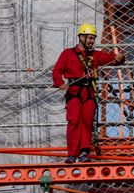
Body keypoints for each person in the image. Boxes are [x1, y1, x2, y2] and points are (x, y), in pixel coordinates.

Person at [52, 23, 125, 163]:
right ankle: (72, 154)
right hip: (74, 91)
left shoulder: (95, 55)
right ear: (81, 37)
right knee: (74, 121)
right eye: (90, 38)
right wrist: (60, 83)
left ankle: (84, 151)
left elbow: (111, 59)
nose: (92, 41)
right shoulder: (68, 54)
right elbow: (57, 70)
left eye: (93, 38)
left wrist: (119, 58)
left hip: (89, 92)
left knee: (87, 122)